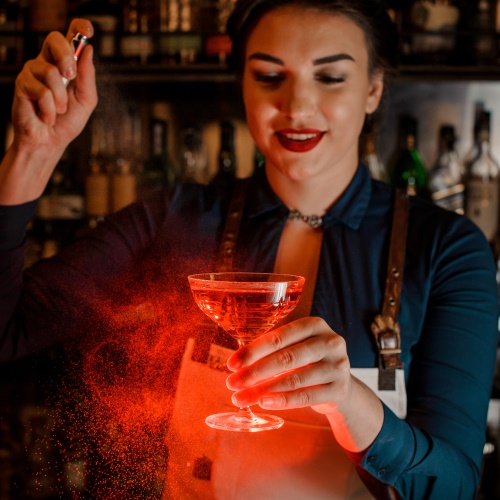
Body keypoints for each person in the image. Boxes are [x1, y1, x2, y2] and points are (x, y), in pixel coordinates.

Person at [0, 0, 498, 498]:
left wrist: (350, 401)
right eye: (267, 76)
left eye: (330, 78)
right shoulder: (176, 217)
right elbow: (8, 333)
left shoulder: (446, 250)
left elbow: (451, 485)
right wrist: (30, 156)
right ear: (241, 85)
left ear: (372, 89)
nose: (297, 106)